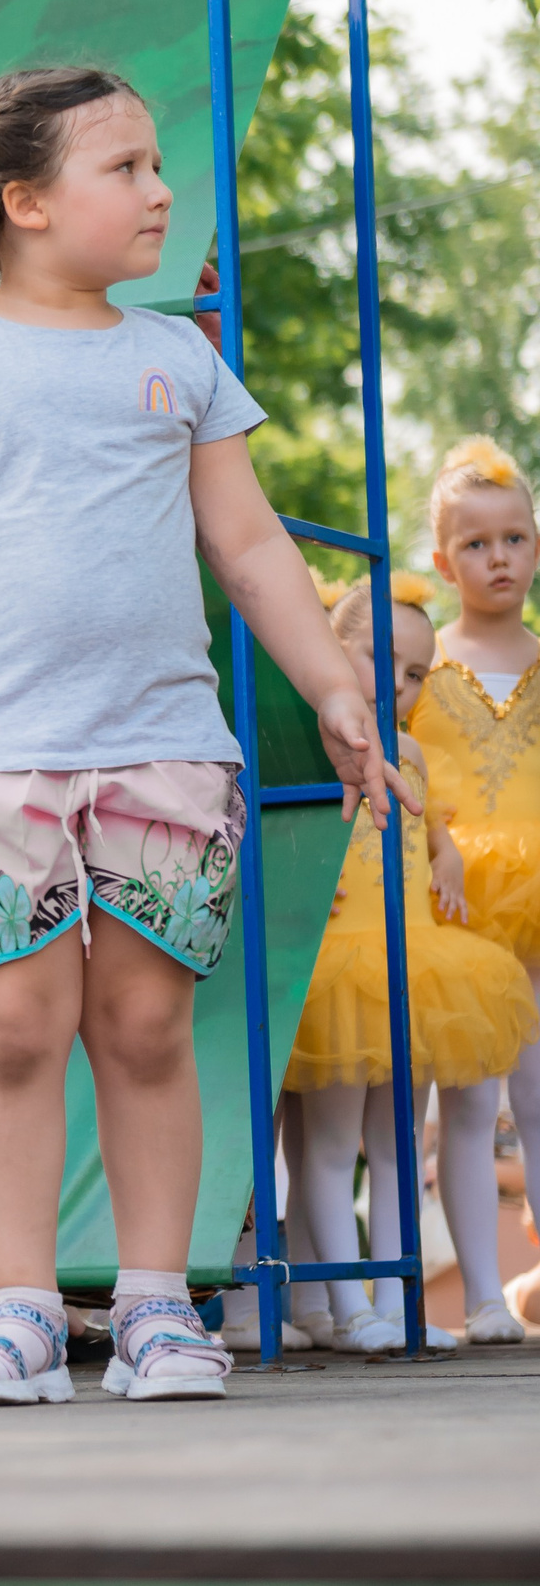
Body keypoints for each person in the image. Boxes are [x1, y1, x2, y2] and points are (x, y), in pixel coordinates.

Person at [0, 66, 401, 1406]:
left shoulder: (177, 357)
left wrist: (332, 684)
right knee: (12, 1028)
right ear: (24, 200)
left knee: (145, 1026)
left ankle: (155, 1305)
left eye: (156, 165)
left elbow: (251, 545)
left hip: (164, 749)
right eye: (126, 168)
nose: (159, 192)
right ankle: (17, 1310)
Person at [285, 576, 537, 1351]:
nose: (397, 683)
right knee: (327, 1148)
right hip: (337, 971)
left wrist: (449, 857)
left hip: (409, 967)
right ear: (332, 648)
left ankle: (397, 1307)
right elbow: (282, 839)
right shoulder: (311, 749)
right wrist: (301, 886)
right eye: (380, 659)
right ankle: (346, 1304)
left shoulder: (415, 754)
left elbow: (429, 835)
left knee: (399, 1143)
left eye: (416, 672)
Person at [411, 434, 540, 1345]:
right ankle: (483, 1295)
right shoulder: (427, 668)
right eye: (477, 543)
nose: (499, 558)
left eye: (516, 538)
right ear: (442, 558)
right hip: (454, 906)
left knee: (538, 1089)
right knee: (458, 1096)